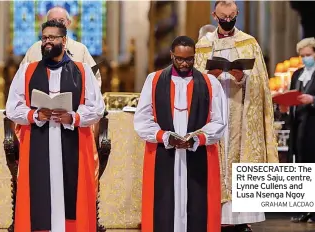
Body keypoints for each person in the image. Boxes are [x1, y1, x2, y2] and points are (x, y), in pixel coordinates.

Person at [6, 20, 104, 231]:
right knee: (40, 194)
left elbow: (97, 108)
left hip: (72, 142)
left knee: (70, 193)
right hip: (38, 143)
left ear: (64, 40)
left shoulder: (82, 70)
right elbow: (12, 108)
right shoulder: (27, 71)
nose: (47, 41)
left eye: (52, 37)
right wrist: (34, 115)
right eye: (44, 38)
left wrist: (74, 118)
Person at [194, 1, 279, 231]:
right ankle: (213, 215)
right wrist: (208, 75)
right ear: (215, 16)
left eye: (232, 16)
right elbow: (194, 81)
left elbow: (260, 82)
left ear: (237, 14)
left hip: (240, 108)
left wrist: (242, 77)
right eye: (223, 17)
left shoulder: (249, 43)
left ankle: (240, 220)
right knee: (216, 158)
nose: (228, 21)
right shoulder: (203, 45)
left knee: (239, 157)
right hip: (213, 110)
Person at [135, 36, 225, 232]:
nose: (184, 64)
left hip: (197, 153)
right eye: (179, 59)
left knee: (198, 203)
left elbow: (219, 121)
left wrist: (197, 138)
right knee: (165, 202)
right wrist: (164, 137)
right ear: (171, 55)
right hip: (165, 154)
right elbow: (142, 119)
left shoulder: (210, 83)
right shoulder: (154, 80)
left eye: (189, 59)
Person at [21, 6, 101, 88]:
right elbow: (21, 78)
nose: (57, 24)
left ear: (69, 23)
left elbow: (94, 77)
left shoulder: (80, 49)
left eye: (61, 21)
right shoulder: (34, 49)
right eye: (52, 21)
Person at [288, 37, 315, 223]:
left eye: (309, 55)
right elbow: (292, 95)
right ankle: (305, 210)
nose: (305, 58)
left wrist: (313, 100)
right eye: (302, 56)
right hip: (298, 127)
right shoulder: (297, 74)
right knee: (302, 169)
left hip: (313, 127)